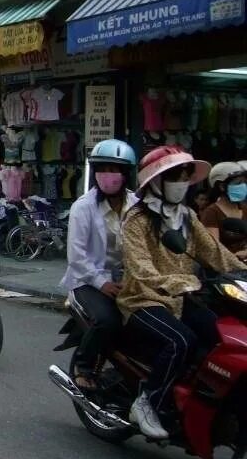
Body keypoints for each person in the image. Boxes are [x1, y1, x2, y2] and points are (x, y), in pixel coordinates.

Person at [118, 147, 246, 439]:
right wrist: (182, 282)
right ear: (156, 181)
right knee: (180, 341)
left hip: (182, 297)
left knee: (219, 334)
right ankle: (147, 401)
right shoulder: (136, 220)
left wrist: (240, 272)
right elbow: (141, 270)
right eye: (175, 176)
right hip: (143, 298)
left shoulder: (187, 216)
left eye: (186, 176)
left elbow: (215, 253)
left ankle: (197, 401)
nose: (182, 181)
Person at [59, 139, 139, 390]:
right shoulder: (83, 207)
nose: (109, 176)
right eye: (103, 169)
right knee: (108, 320)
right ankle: (84, 366)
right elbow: (77, 256)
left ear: (126, 174)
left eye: (115, 170)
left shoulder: (138, 206)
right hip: (88, 281)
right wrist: (101, 282)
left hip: (130, 280)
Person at [200, 162, 247, 259]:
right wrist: (235, 257)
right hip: (226, 267)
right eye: (238, 183)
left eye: (244, 182)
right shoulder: (211, 213)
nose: (243, 186)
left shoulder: (244, 208)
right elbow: (214, 248)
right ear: (222, 187)